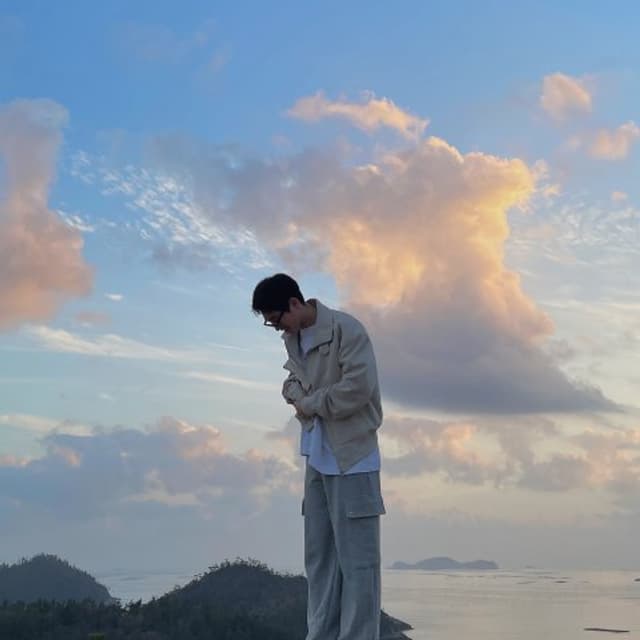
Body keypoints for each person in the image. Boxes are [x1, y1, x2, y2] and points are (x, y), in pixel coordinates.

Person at [252, 273, 385, 640]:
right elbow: (290, 385)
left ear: (295, 303)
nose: (276, 327)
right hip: (316, 455)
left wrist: (308, 403)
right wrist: (300, 397)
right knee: (320, 561)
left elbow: (357, 389)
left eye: (276, 319)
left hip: (353, 458)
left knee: (359, 566)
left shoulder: (346, 330)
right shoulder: (293, 339)